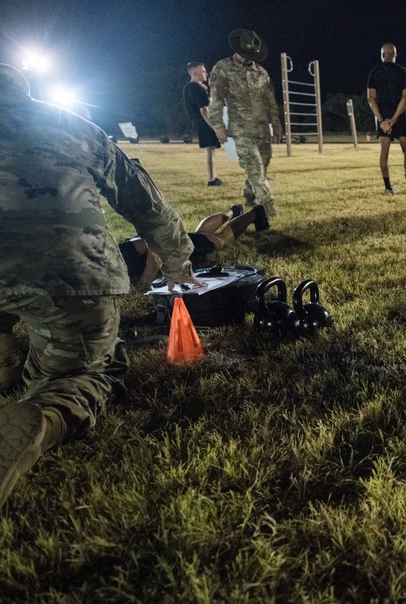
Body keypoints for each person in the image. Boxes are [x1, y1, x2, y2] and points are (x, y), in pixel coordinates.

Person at [0, 63, 200, 505]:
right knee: (89, 370)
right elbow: (144, 203)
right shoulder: (70, 125)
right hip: (68, 278)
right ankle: (46, 412)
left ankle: (5, 360)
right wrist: (177, 262)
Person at [208, 29, 282, 217]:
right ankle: (267, 205)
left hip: (262, 128)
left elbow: (270, 101)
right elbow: (216, 99)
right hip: (241, 129)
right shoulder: (222, 68)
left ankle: (249, 195)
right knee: (254, 166)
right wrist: (218, 126)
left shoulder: (261, 73)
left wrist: (278, 125)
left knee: (262, 166)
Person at [120, 204, 269, 290]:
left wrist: (145, 280)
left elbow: (155, 244)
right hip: (171, 238)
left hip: (173, 243)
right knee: (202, 234)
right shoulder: (114, 253)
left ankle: (254, 214)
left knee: (218, 241)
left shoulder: (123, 255)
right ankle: (233, 211)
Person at [366, 43, 406, 195]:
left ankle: (388, 188)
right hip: (399, 115)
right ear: (395, 54)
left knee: (384, 152)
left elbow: (371, 99)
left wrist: (382, 121)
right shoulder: (403, 72)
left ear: (382, 55)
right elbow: (405, 99)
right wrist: (394, 119)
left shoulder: (374, 72)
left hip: (382, 115)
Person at [182, 61, 223, 186]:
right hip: (204, 122)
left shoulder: (188, 87)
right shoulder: (198, 89)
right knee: (211, 150)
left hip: (197, 122)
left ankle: (214, 177)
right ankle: (212, 179)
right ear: (195, 73)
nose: (206, 73)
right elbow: (204, 111)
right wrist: (215, 128)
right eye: (203, 71)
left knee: (212, 149)